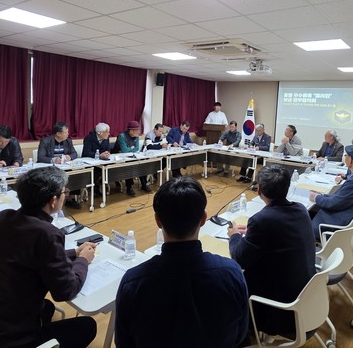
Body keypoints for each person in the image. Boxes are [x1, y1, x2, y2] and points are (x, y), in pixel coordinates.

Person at [0, 167, 97, 348]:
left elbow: (28, 256)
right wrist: (83, 260)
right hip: (4, 338)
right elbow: (66, 291)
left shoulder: (5, 217)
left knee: (46, 307)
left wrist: (74, 253)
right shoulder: (47, 233)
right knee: (87, 326)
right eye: (64, 192)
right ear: (53, 201)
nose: (65, 196)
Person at [115, 177, 249, 348]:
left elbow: (124, 343)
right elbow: (240, 335)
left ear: (158, 221)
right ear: (203, 219)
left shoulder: (133, 282)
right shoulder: (231, 273)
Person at [228, 165, 316, 339]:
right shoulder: (300, 209)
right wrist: (252, 233)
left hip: (280, 309)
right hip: (306, 294)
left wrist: (234, 236)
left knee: (229, 283)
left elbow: (239, 258)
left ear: (259, 190)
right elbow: (277, 232)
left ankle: (241, 337)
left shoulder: (261, 220)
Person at [309, 144, 353, 241]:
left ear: (351, 160)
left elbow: (332, 203)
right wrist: (322, 195)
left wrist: (315, 197)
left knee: (303, 215)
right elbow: (341, 198)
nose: (345, 157)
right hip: (346, 216)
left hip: (333, 224)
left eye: (346, 155)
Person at [114, 121, 152, 196]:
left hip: (131, 156)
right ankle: (129, 187)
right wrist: (131, 148)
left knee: (141, 164)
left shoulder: (136, 136)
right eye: (137, 130)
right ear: (131, 131)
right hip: (118, 158)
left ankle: (144, 185)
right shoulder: (121, 136)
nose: (139, 132)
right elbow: (124, 151)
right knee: (129, 166)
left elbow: (136, 148)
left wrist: (130, 148)